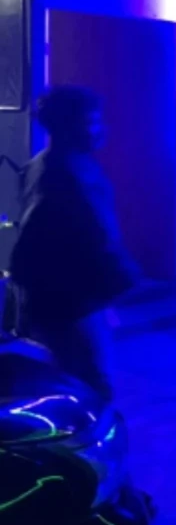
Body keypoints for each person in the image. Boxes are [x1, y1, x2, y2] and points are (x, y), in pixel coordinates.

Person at [10, 87, 138, 403]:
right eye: (91, 121)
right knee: (94, 388)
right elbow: (98, 237)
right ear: (70, 125)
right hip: (72, 303)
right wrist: (121, 279)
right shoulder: (71, 175)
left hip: (60, 300)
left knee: (69, 380)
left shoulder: (44, 165)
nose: (100, 129)